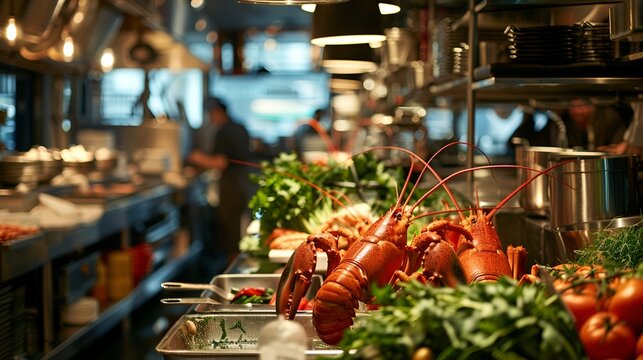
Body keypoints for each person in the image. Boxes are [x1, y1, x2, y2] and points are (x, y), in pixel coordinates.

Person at [187, 97, 253, 266]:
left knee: (230, 232)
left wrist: (197, 158)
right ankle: (235, 265)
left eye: (210, 114)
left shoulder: (224, 130)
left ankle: (233, 268)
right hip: (244, 183)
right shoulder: (240, 127)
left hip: (231, 187)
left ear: (217, 111)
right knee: (238, 229)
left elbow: (220, 162)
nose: (210, 118)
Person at [509, 99, 631, 150]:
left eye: (584, 104)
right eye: (574, 105)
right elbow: (516, 144)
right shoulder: (560, 122)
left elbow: (619, 151)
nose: (579, 111)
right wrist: (529, 117)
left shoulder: (609, 118)